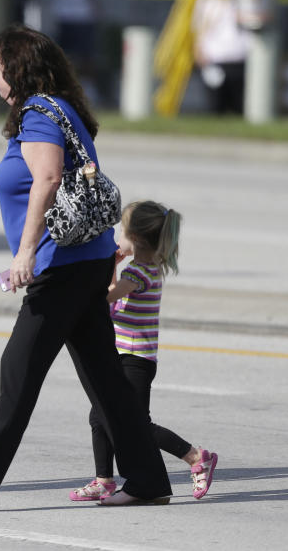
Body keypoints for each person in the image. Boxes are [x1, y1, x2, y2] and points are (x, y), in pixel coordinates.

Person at [0, 24, 171, 510]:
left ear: (14, 69)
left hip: (61, 266)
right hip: (89, 262)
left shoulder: (37, 112)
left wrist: (25, 254)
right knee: (105, 380)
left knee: (18, 369)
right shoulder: (63, 109)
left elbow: (49, 178)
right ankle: (148, 480)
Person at [69, 200, 219, 503]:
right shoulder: (144, 267)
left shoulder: (137, 273)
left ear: (135, 238)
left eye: (121, 231)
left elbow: (105, 302)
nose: (117, 238)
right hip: (127, 356)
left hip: (135, 360)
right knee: (100, 416)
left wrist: (106, 265)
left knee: (134, 424)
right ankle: (104, 480)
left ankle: (195, 456)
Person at [192, 0, 251, 115]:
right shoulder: (206, 0)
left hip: (240, 60)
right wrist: (199, 55)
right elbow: (198, 31)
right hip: (215, 60)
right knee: (216, 109)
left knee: (240, 108)